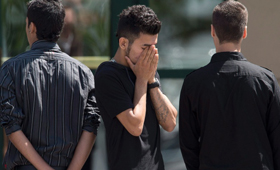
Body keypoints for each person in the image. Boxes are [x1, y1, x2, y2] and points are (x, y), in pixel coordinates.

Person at [179, 0, 280, 170]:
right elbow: (277, 140)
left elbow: (188, 145)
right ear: (245, 32)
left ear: (212, 31)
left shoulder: (193, 83)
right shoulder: (266, 80)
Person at [0, 0, 100, 170]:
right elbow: (91, 126)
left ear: (31, 27)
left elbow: (11, 126)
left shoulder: (11, 69)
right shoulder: (84, 73)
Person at [95, 5, 178, 170]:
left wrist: (151, 81)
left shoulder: (147, 71)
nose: (151, 54)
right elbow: (135, 126)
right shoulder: (108, 74)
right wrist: (141, 79)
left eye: (154, 46)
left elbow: (170, 123)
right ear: (124, 43)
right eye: (145, 48)